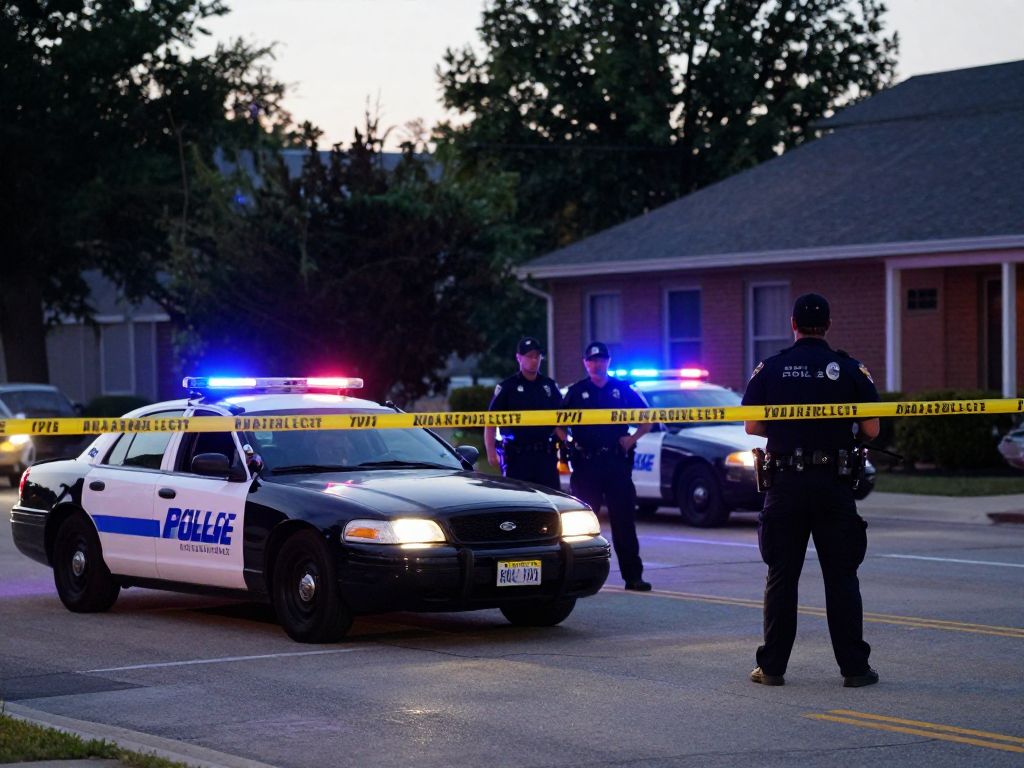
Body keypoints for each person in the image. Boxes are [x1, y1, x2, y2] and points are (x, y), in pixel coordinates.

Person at [741, 293, 881, 688]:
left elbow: (751, 425)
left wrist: (786, 427)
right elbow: (871, 429)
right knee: (841, 577)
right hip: (833, 485)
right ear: (829, 325)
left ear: (793, 324)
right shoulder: (851, 369)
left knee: (782, 576)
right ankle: (854, 669)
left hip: (786, 483)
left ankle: (772, 668)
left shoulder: (772, 367)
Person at [563, 341, 653, 591]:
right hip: (587, 465)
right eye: (592, 360)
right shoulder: (576, 391)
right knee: (582, 526)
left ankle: (633, 577)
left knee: (624, 523)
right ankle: (578, 578)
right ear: (585, 363)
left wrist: (632, 439)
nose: (597, 364)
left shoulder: (622, 389)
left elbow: (648, 418)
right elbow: (556, 422)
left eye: (601, 359)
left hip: (615, 464)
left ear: (608, 362)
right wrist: (568, 441)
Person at [484, 336, 565, 490]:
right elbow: (490, 420)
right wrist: (491, 451)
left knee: (551, 500)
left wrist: (566, 441)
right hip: (517, 456)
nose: (534, 360)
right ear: (519, 358)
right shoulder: (508, 387)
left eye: (537, 356)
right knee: (518, 502)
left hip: (545, 455)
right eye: (529, 356)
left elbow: (560, 419)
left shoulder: (549, 386)